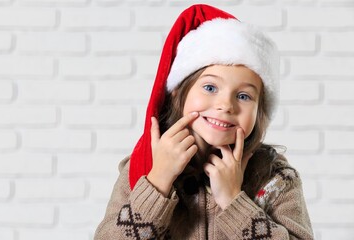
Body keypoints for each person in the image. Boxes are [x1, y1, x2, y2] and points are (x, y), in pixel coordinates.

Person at [95, 4, 313, 240]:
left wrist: (234, 202)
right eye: (210, 87)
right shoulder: (143, 169)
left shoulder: (275, 178)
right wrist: (158, 183)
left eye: (243, 96)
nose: (226, 105)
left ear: (260, 110)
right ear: (178, 92)